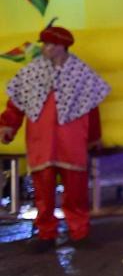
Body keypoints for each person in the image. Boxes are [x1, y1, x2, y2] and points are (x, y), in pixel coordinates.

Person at [0, 24, 110, 251]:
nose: (45, 49)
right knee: (43, 192)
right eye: (44, 44)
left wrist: (94, 137)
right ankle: (46, 234)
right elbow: (16, 104)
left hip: (71, 142)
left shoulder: (80, 73)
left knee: (76, 191)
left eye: (50, 44)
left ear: (62, 46)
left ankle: (80, 232)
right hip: (42, 142)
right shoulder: (32, 72)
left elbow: (92, 108)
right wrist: (8, 126)